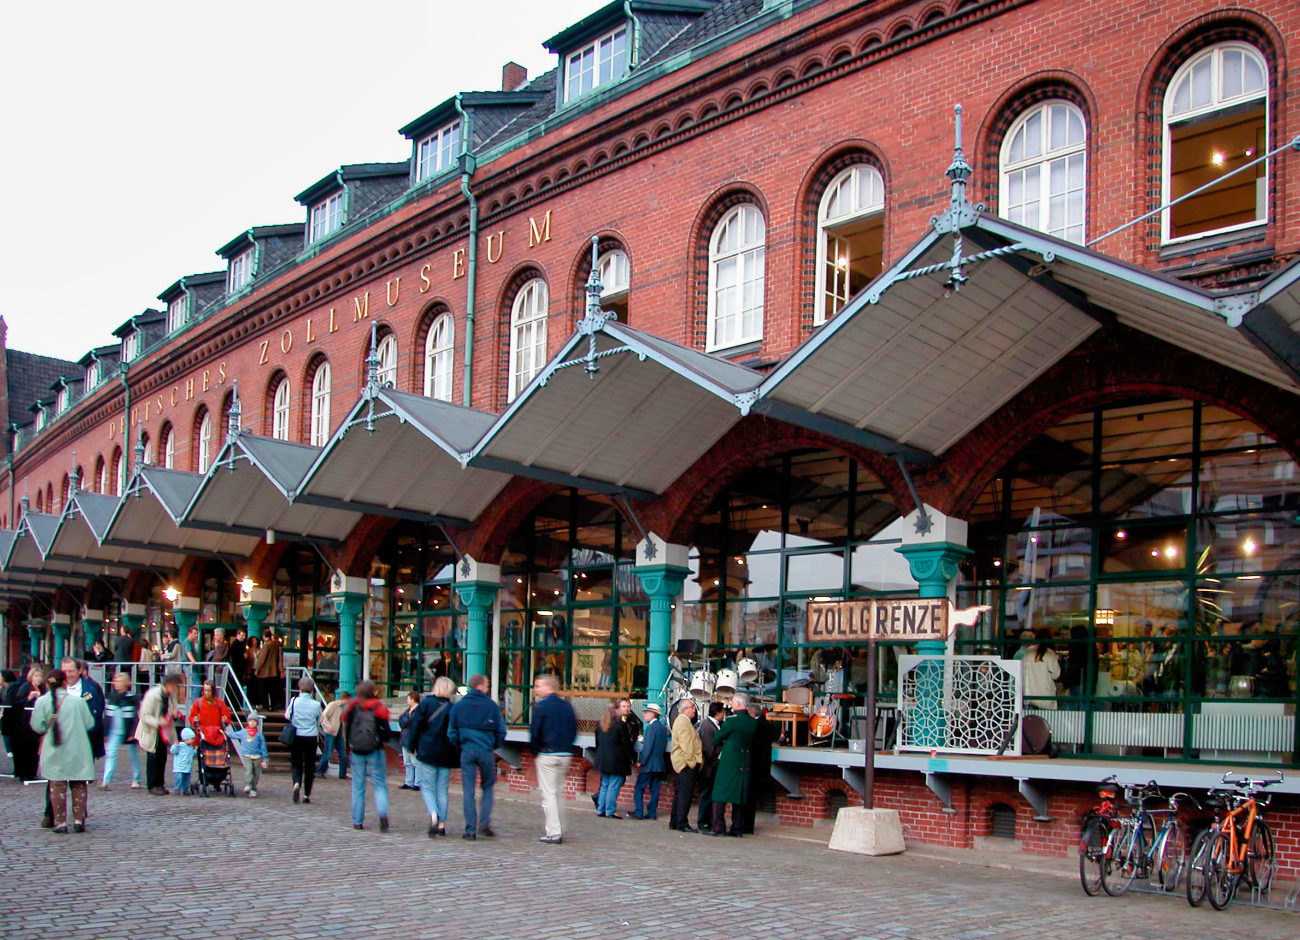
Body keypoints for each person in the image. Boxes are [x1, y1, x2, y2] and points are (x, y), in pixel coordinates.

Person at [30, 668, 95, 833]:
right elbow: (90, 724)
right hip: (77, 748)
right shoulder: (78, 701)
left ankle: (60, 823)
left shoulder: (42, 702)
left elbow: (37, 726)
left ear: (47, 684)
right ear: (65, 683)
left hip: (54, 749)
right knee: (78, 783)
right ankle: (79, 820)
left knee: (57, 785)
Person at [448, 673, 506, 840]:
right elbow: (501, 731)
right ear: (480, 686)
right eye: (487, 684)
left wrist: (460, 744)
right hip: (486, 750)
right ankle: (484, 823)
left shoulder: (459, 706)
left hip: (467, 750)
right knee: (488, 787)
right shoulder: (491, 706)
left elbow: (452, 732)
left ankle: (470, 829)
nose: (488, 687)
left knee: (468, 790)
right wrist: (493, 744)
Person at [408, 677, 460, 838]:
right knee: (442, 789)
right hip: (446, 753)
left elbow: (416, 726)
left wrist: (411, 746)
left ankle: (433, 814)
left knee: (428, 787)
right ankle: (442, 824)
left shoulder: (426, 704)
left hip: (427, 750)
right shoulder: (453, 708)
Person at [529, 673, 576, 845]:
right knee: (556, 792)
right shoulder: (567, 706)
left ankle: (554, 832)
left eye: (539, 685)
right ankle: (559, 825)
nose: (536, 689)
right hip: (564, 753)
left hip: (547, 753)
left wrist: (536, 752)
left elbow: (535, 732)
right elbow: (573, 729)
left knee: (548, 794)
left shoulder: (541, 707)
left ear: (548, 687)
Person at [344, 680, 392, 831]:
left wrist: (349, 744)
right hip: (375, 750)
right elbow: (386, 733)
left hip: (356, 750)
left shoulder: (352, 706)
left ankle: (357, 820)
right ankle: (382, 813)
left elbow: (346, 725)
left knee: (358, 786)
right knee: (379, 785)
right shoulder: (379, 707)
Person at [710, 693, 757, 837]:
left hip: (729, 762)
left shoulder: (731, 721)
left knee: (719, 795)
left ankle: (719, 827)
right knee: (739, 797)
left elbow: (717, 737)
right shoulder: (752, 722)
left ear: (737, 704)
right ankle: (737, 828)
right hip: (744, 761)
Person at [137, 672, 184, 795]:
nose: (176, 689)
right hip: (153, 730)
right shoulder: (152, 695)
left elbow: (172, 710)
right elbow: (144, 715)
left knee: (162, 757)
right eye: (175, 686)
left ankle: (160, 784)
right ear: (168, 685)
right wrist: (158, 722)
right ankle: (152, 785)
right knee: (153, 757)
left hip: (165, 730)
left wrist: (174, 715)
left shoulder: (171, 696)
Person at [100, 670, 142, 789]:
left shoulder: (132, 698)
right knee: (111, 754)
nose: (117, 683)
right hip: (114, 731)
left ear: (127, 683)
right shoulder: (112, 698)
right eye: (116, 681)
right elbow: (107, 717)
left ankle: (136, 779)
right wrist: (105, 732)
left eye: (120, 681)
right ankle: (106, 781)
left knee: (133, 755)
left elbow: (136, 717)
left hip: (128, 731)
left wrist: (133, 732)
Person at [285, 675, 323, 804]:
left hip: (297, 735)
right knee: (309, 766)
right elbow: (320, 720)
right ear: (312, 690)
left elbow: (287, 715)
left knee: (296, 763)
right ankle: (306, 794)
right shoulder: (316, 704)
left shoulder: (294, 701)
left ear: (300, 688)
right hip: (311, 737)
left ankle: (296, 783)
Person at [593, 703, 634, 819]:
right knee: (613, 786)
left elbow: (597, 742)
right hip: (617, 760)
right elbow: (627, 744)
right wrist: (632, 759)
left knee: (604, 785)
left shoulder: (600, 724)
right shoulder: (620, 725)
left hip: (602, 758)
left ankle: (601, 809)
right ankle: (610, 811)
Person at [669, 697, 702, 832]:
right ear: (684, 709)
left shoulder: (682, 721)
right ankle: (682, 822)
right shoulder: (683, 722)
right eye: (691, 707)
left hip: (683, 763)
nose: (694, 710)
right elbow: (687, 745)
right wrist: (692, 762)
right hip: (686, 764)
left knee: (680, 794)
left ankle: (676, 821)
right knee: (685, 795)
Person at [742, 703, 774, 834]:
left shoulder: (754, 726)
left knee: (747, 798)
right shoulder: (767, 724)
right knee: (752, 799)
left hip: (752, 765)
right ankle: (748, 826)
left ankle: (745, 825)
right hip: (762, 765)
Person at [10, 665, 47, 782]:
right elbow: (17, 703)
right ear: (31, 677)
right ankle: (24, 773)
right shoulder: (25, 687)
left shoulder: (43, 688)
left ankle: (32, 772)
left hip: (38, 720)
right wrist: (28, 698)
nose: (38, 678)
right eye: (36, 676)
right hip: (25, 723)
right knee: (25, 748)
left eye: (40, 676)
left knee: (35, 748)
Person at [633, 701, 667, 820]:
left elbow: (648, 748)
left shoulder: (650, 729)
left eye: (646, 713)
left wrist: (641, 761)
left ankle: (638, 812)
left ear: (652, 714)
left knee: (639, 788)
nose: (644, 715)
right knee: (655, 790)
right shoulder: (662, 728)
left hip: (649, 765)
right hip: (659, 764)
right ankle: (652, 813)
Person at [697, 701, 724, 831]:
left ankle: (708, 821)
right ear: (718, 712)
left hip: (712, 767)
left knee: (709, 795)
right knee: (706, 796)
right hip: (709, 768)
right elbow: (708, 750)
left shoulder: (714, 725)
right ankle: (703, 822)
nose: (724, 714)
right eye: (723, 711)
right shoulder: (708, 726)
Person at [229, 713, 268, 797]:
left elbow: (263, 747)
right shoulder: (243, 732)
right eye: (250, 721)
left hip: (257, 757)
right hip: (247, 756)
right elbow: (234, 735)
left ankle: (253, 788)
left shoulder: (259, 735)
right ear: (248, 722)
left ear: (257, 723)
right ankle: (248, 785)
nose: (252, 723)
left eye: (254, 721)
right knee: (248, 770)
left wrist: (264, 759)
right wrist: (226, 733)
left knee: (256, 773)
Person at [1022, 628, 1062, 709]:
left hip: (1029, 694)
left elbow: (1022, 669)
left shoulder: (1029, 651)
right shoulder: (1050, 653)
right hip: (1045, 696)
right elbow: (1055, 675)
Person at [315, 690, 351, 779]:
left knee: (342, 754)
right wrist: (329, 726)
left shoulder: (341, 708)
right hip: (331, 732)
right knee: (328, 752)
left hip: (338, 732)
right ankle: (319, 771)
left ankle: (342, 773)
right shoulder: (333, 705)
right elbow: (323, 716)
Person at [254, 628, 283, 710]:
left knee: (264, 691)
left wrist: (257, 669)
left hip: (265, 672)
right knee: (273, 692)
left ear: (263, 636)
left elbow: (262, 659)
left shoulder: (266, 645)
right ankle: (274, 707)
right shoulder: (276, 645)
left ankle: (265, 706)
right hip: (274, 672)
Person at [398, 690, 419, 789]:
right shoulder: (407, 711)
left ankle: (417, 783)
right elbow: (401, 720)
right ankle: (408, 782)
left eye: (408, 699)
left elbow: (414, 723)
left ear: (413, 699)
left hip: (413, 739)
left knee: (415, 762)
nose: (407, 701)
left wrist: (406, 722)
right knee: (407, 762)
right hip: (405, 738)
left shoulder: (419, 711)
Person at [170, 727, 197, 795]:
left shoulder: (190, 747)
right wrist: (175, 746)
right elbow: (173, 751)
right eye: (192, 739)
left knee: (186, 779)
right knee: (179, 777)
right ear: (186, 739)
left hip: (187, 767)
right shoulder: (180, 746)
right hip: (179, 767)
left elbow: (192, 754)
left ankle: (185, 790)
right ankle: (177, 789)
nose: (193, 740)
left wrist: (195, 750)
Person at [1, 668, 21, 757]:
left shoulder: (13, 687)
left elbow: (9, 701)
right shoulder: (3, 688)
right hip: (5, 715)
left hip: (11, 716)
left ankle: (10, 751)